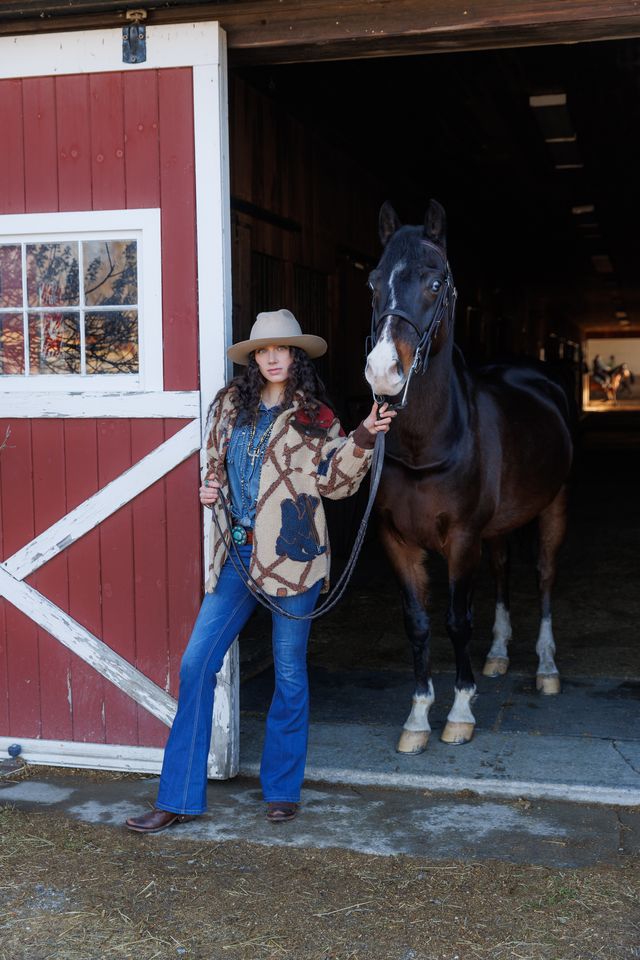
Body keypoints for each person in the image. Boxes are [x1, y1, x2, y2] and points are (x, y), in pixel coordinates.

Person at [126, 309, 395, 832]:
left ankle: (282, 790)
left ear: (296, 357)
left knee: (288, 671)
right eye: (263, 351)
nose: (273, 358)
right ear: (253, 359)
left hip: (293, 556)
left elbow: (336, 483)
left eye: (282, 349)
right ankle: (177, 797)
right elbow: (213, 464)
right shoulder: (229, 405)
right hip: (237, 554)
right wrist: (210, 489)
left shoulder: (315, 416)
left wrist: (363, 435)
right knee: (196, 665)